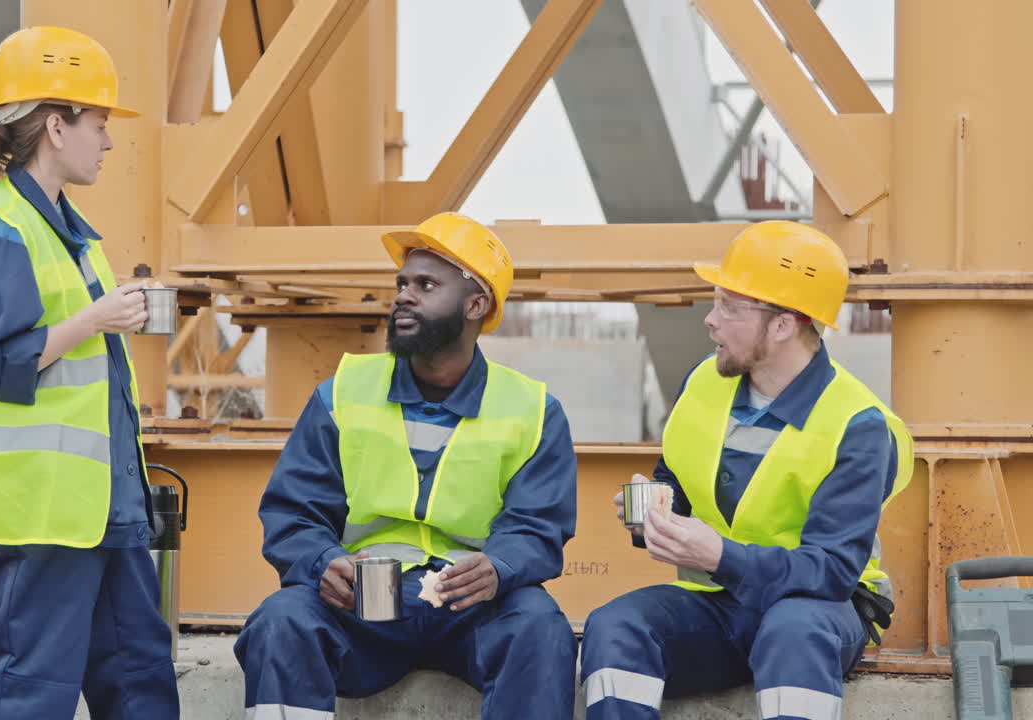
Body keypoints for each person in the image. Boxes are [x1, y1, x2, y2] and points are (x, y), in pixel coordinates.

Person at [234, 212, 579, 719]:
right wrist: (320, 562)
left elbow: (538, 526)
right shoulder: (343, 393)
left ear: (475, 305)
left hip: (474, 611)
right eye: (401, 283)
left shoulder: (533, 410)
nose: (403, 296)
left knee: (541, 627)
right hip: (361, 609)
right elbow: (294, 510)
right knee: (282, 620)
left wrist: (500, 568)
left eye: (426, 284)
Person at [0, 26, 180, 719]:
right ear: (56, 124)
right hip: (43, 513)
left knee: (139, 680)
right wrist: (92, 322)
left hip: (104, 506)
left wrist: (101, 319)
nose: (107, 140)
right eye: (98, 123)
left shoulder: (67, 232)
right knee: (28, 689)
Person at [579, 221, 912, 720]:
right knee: (617, 625)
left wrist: (720, 555)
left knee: (793, 630)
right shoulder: (705, 383)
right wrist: (651, 512)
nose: (710, 321)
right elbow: (676, 481)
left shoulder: (857, 426)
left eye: (729, 307)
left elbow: (832, 572)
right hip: (721, 599)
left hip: (819, 608)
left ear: (782, 325)